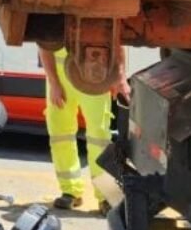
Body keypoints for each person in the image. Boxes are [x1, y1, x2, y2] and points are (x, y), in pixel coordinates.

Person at [38, 46, 130, 211]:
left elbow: (117, 42)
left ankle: (107, 196)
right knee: (60, 135)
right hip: (61, 78)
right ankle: (70, 191)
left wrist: (120, 77)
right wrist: (54, 83)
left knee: (99, 137)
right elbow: (45, 46)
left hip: (95, 76)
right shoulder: (54, 20)